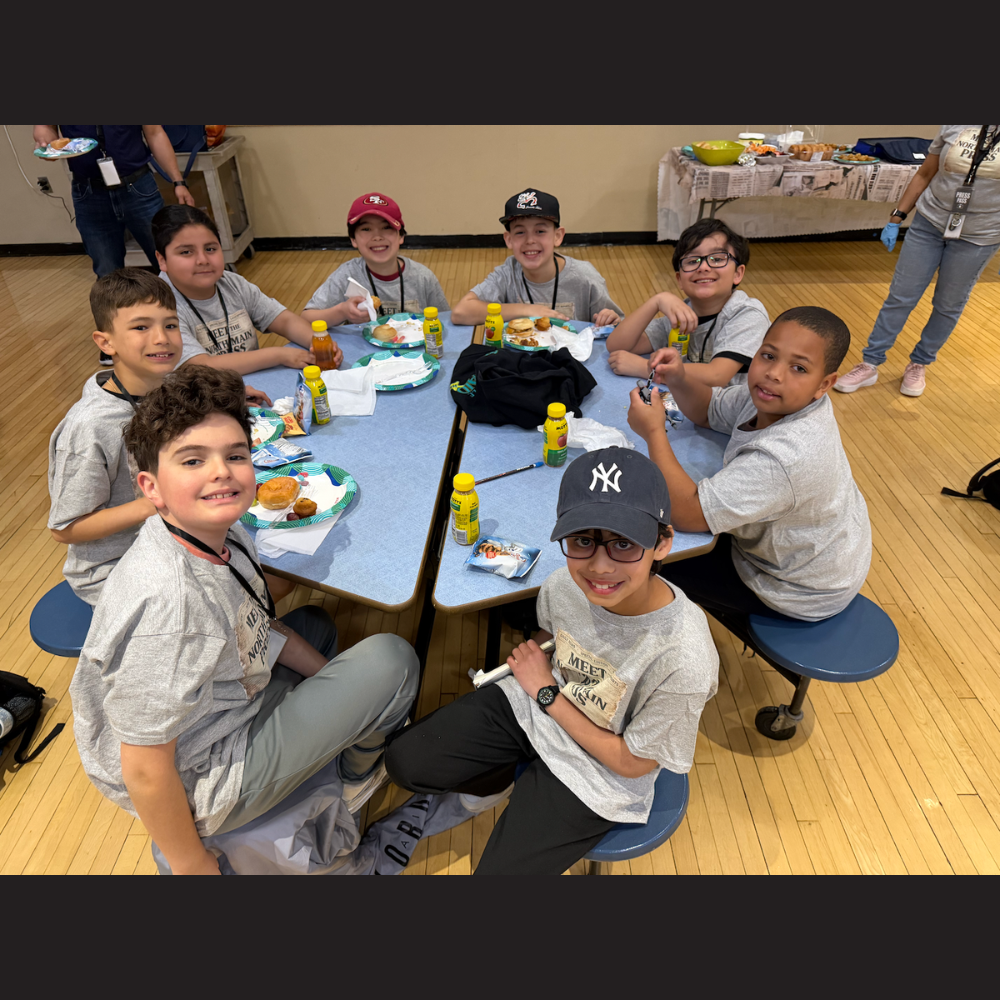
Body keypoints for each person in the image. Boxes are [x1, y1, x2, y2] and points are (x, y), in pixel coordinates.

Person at [69, 366, 420, 874]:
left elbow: (254, 620)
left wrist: (336, 687)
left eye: (235, 455)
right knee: (393, 659)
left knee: (316, 626)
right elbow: (144, 768)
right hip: (205, 778)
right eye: (193, 460)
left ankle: (336, 730)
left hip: (215, 716)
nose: (222, 472)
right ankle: (354, 777)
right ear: (151, 487)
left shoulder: (219, 533)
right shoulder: (169, 606)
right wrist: (193, 865)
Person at [386, 447, 719, 875]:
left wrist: (546, 692)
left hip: (599, 766)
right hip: (537, 703)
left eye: (623, 543)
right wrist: (537, 676)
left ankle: (507, 775)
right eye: (583, 540)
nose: (600, 568)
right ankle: (498, 776)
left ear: (663, 543)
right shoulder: (564, 583)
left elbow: (632, 762)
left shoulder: (685, 659)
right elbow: (552, 635)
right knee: (406, 762)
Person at [628, 306, 871, 649]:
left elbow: (689, 514)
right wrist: (679, 377)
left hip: (796, 588)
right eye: (768, 355)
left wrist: (654, 433)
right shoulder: (771, 398)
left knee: (634, 558)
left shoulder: (786, 456)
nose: (774, 374)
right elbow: (709, 410)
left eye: (798, 368)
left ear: (825, 384)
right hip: (816, 548)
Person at [47, 268, 271, 606]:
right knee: (253, 588)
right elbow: (64, 528)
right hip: (117, 567)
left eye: (170, 325)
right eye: (141, 327)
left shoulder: (165, 386)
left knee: (261, 572)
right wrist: (157, 501)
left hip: (179, 537)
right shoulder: (90, 426)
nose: (162, 338)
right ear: (105, 342)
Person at [836, 125, 1000, 398]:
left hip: (979, 236)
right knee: (901, 295)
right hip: (929, 223)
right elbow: (925, 173)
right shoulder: (955, 125)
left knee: (948, 303)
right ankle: (870, 362)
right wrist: (897, 216)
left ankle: (920, 362)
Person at [153, 206, 340, 375]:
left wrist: (317, 343)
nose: (202, 260)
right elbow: (200, 366)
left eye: (210, 249)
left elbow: (283, 320)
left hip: (249, 386)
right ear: (162, 260)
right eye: (186, 252)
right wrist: (279, 355)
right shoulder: (159, 306)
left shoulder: (232, 283)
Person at [606, 219, 769, 384]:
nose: (703, 267)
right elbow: (617, 346)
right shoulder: (681, 315)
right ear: (680, 280)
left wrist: (646, 368)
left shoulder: (748, 314)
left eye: (717, 259)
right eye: (692, 261)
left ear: (738, 273)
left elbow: (717, 376)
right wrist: (657, 300)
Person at [451, 189, 623, 326]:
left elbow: (617, 328)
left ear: (558, 236)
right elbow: (461, 312)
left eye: (540, 231)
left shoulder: (585, 277)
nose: (530, 240)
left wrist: (610, 320)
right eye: (520, 232)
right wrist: (527, 310)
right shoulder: (507, 274)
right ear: (508, 239)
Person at [301, 193, 449, 326]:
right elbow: (306, 318)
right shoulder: (347, 276)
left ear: (401, 236)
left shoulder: (422, 277)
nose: (377, 236)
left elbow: (445, 321)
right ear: (353, 240)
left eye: (386, 228)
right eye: (366, 229)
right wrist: (342, 312)